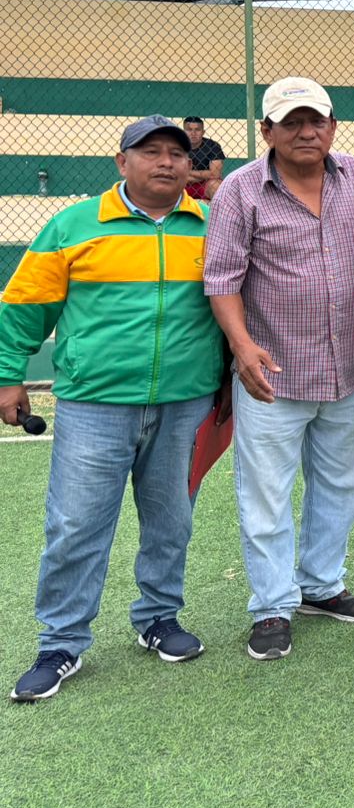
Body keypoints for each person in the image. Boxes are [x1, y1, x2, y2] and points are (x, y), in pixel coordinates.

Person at [1, 116, 222, 702]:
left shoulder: (212, 226)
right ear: (122, 162)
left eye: (177, 152)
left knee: (172, 520)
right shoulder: (73, 225)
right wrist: (7, 375)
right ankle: (61, 642)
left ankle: (158, 617)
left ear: (190, 165)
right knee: (76, 524)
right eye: (150, 151)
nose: (166, 162)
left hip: (186, 401)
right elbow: (25, 305)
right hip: (94, 403)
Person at [203, 77, 354, 663]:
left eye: (316, 120)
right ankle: (273, 606)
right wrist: (242, 346)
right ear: (267, 131)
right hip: (271, 375)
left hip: (346, 369)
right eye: (291, 122)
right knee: (266, 496)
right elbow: (221, 278)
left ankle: (321, 585)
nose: (306, 132)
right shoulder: (240, 190)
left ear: (333, 126)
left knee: (341, 485)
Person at [183, 116, 224, 200]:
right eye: (189, 130)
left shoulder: (213, 146)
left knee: (216, 185)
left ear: (203, 132)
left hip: (205, 185)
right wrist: (204, 174)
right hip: (182, 185)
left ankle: (218, 208)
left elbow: (215, 174)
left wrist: (187, 172)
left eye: (197, 130)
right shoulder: (176, 145)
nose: (193, 133)